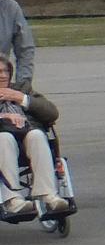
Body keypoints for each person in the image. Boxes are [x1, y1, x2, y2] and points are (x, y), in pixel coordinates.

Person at [0, 54, 64, 217]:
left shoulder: (22, 88)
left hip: (28, 138)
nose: (3, 75)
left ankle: (49, 195)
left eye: (6, 71)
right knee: (4, 138)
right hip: (3, 142)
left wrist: (23, 99)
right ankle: (12, 200)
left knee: (36, 134)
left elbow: (52, 113)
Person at [0, 0, 34, 93]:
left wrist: (22, 85)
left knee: (44, 109)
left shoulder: (11, 8)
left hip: (2, 88)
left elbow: (25, 49)